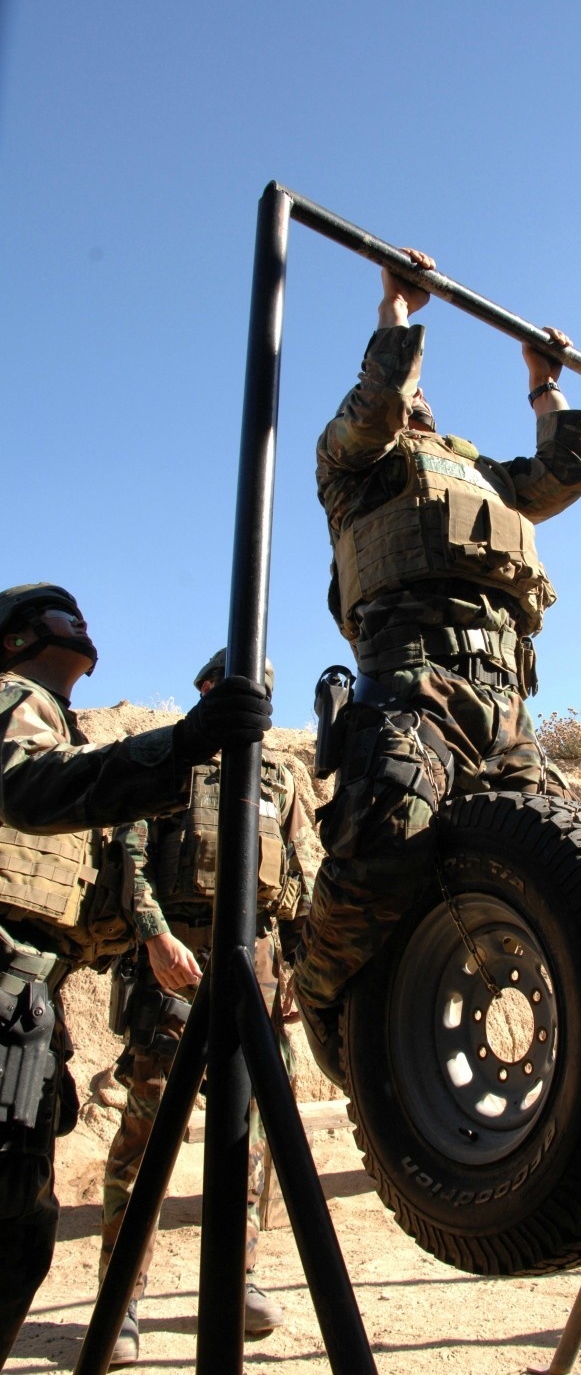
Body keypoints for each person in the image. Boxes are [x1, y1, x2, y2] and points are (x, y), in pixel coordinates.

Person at [292, 249, 581, 1077]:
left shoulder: (481, 472)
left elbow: (563, 476)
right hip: (413, 686)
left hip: (507, 702)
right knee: (390, 836)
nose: (415, 399)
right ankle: (318, 989)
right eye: (406, 389)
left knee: (577, 864)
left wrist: (543, 381)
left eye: (421, 390)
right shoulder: (348, 465)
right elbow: (381, 397)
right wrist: (396, 306)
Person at [0, 584, 271, 1368]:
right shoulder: (17, 700)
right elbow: (32, 788)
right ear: (15, 639)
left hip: (31, 990)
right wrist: (180, 744)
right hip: (21, 979)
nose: (79, 620)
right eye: (59, 613)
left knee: (18, 1225)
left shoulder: (60, 723)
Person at [98, 649, 311, 1366]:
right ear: (209, 690)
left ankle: (239, 1277)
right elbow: (128, 855)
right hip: (175, 983)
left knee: (249, 1146)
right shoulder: (174, 764)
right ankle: (121, 1298)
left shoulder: (284, 778)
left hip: (255, 984)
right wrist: (155, 938)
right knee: (144, 1139)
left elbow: (304, 884)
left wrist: (304, 979)